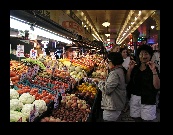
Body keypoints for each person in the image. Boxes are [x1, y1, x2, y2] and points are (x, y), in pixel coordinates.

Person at [126, 45, 160, 122]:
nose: (143, 56)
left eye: (146, 53)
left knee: (147, 120)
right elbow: (127, 81)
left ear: (150, 55)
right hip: (135, 98)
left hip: (148, 99)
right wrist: (129, 70)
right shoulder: (135, 68)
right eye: (141, 54)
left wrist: (154, 71)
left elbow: (157, 86)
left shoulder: (154, 68)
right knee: (136, 119)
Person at [97, 52, 126, 122]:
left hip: (112, 107)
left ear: (113, 61)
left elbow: (107, 89)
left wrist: (99, 82)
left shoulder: (115, 73)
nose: (107, 63)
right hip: (116, 104)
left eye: (108, 61)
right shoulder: (119, 70)